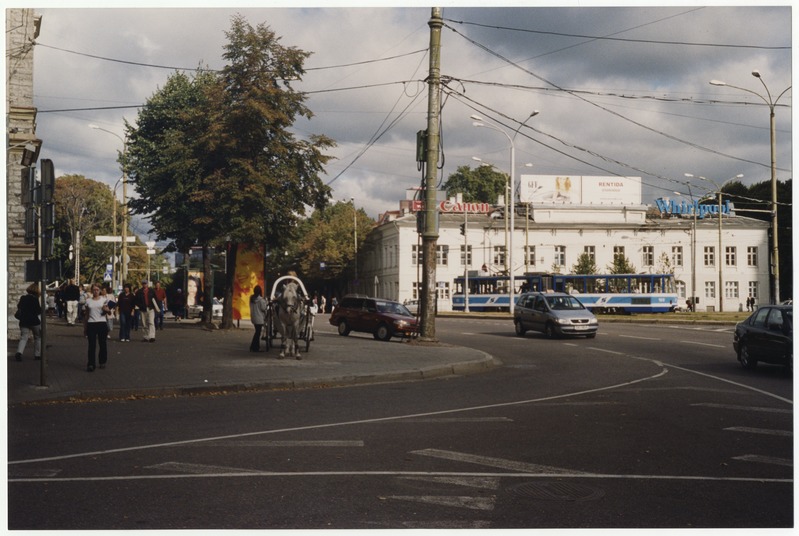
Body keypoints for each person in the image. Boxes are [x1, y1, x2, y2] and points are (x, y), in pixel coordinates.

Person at [83, 284, 111, 372]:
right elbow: (86, 314)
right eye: (94, 290)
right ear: (92, 291)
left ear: (100, 291)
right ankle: (91, 364)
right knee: (92, 345)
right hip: (91, 323)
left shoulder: (104, 300)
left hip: (102, 323)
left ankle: (102, 361)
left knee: (102, 344)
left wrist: (107, 310)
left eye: (97, 290)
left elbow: (109, 312)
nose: (96, 291)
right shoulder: (88, 301)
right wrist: (85, 327)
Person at [14, 283, 42, 361]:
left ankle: (19, 353)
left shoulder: (23, 298)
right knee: (37, 337)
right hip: (34, 321)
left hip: (23, 321)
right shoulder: (35, 299)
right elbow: (38, 311)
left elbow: (19, 307)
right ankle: (37, 355)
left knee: (23, 337)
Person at [249, 285, 268, 352]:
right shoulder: (261, 300)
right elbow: (263, 308)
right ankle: (254, 347)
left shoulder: (251, 298)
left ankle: (254, 346)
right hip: (259, 318)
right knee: (257, 333)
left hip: (254, 317)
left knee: (257, 332)